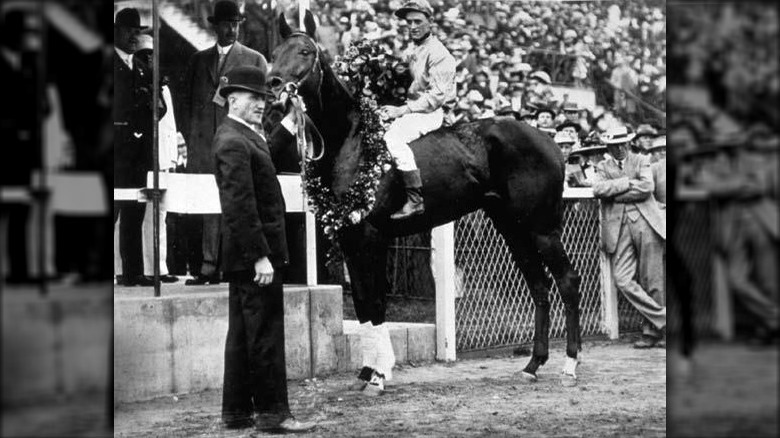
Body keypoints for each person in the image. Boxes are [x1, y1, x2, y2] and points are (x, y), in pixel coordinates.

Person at [214, 65, 315, 433]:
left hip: (246, 255)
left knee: (243, 334)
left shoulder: (239, 134)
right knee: (265, 334)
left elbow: (265, 151)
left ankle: (237, 413)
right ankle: (274, 415)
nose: (261, 104)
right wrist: (260, 255)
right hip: (254, 256)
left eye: (263, 98)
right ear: (233, 99)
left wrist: (289, 122)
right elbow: (239, 205)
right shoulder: (232, 140)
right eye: (255, 98)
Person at [181, 0, 268, 285]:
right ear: (215, 25)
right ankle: (208, 268)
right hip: (204, 145)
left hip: (238, 143)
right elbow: (187, 105)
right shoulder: (198, 60)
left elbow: (262, 108)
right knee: (207, 205)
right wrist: (193, 138)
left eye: (236, 24)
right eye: (226, 24)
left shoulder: (254, 60)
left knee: (239, 201)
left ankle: (236, 267)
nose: (231, 29)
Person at [589, 126, 667, 348]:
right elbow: (598, 189)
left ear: (629, 143)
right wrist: (626, 183)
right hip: (619, 228)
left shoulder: (641, 159)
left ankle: (652, 333)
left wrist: (617, 195)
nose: (620, 149)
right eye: (615, 145)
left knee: (652, 279)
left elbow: (646, 187)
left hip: (647, 222)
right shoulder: (603, 166)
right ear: (609, 147)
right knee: (622, 279)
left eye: (623, 144)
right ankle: (664, 319)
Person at [380, 0, 457, 220]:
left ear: (430, 22)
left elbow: (435, 97)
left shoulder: (440, 54)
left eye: (417, 21)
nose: (412, 26)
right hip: (413, 107)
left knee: (393, 139)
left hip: (429, 112)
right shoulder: (414, 47)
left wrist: (401, 110)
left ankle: (415, 199)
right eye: (408, 22)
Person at [113, 8, 157, 287]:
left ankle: (132, 271)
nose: (134, 35)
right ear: (116, 31)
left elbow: (150, 108)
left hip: (138, 152)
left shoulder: (141, 68)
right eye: (128, 29)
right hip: (114, 151)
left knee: (135, 210)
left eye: (137, 30)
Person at [135, 34, 179, 284]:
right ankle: (142, 268)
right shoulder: (141, 87)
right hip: (145, 159)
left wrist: (172, 158)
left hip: (163, 160)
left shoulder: (164, 88)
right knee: (140, 214)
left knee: (160, 214)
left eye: (152, 55)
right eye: (145, 56)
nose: (150, 60)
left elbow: (170, 126)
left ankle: (159, 267)